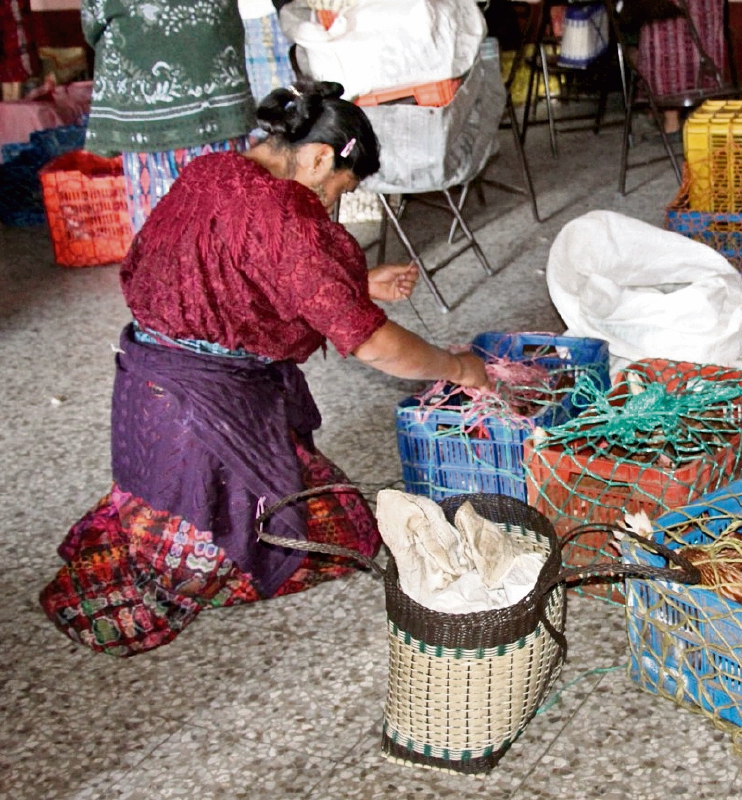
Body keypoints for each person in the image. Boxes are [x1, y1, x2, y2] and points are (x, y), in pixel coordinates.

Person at [39, 80, 490, 657]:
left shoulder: (212, 170)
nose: (329, 204)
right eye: (337, 190)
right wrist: (457, 366)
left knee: (335, 512)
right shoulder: (287, 216)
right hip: (202, 411)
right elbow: (372, 343)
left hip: (143, 390)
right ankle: (192, 543)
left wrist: (354, 284)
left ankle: (169, 520)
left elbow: (232, 266)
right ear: (321, 156)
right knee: (341, 535)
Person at [83, 0, 257, 233]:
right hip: (216, 98)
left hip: (148, 111)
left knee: (159, 224)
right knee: (225, 218)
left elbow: (94, 18)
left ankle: (169, 262)